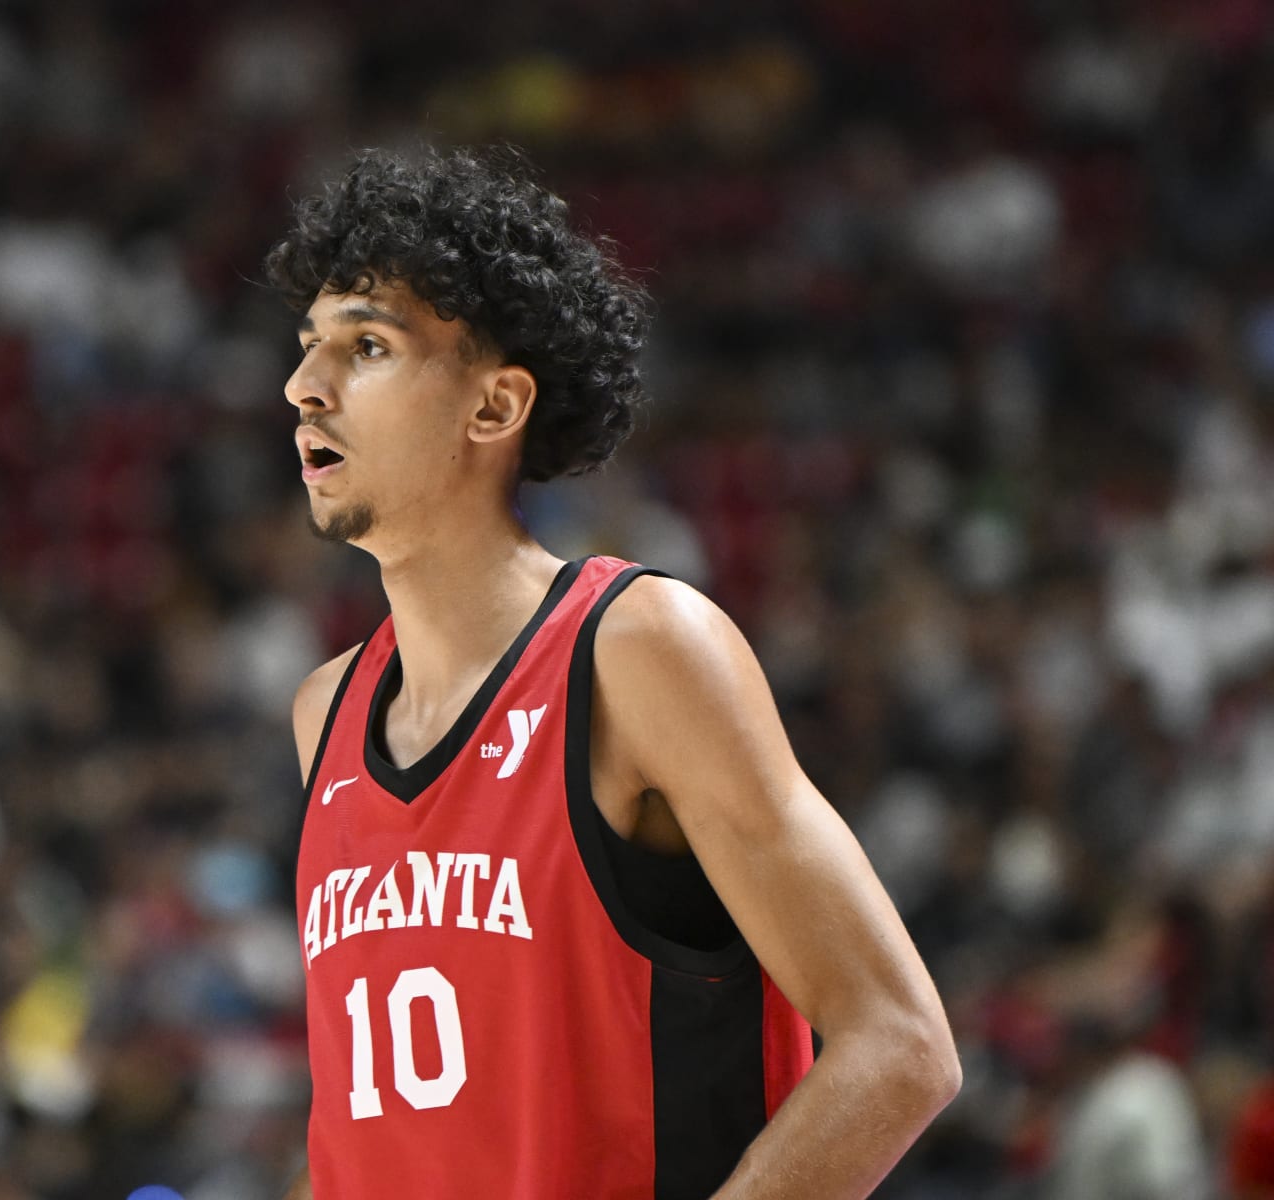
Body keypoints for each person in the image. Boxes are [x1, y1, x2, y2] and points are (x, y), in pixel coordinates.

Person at [269, 146, 960, 1200]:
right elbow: (385, 1140)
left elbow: (899, 1045)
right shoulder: (326, 715)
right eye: (311, 348)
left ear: (493, 409)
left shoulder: (637, 650)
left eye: (366, 347)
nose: (305, 386)